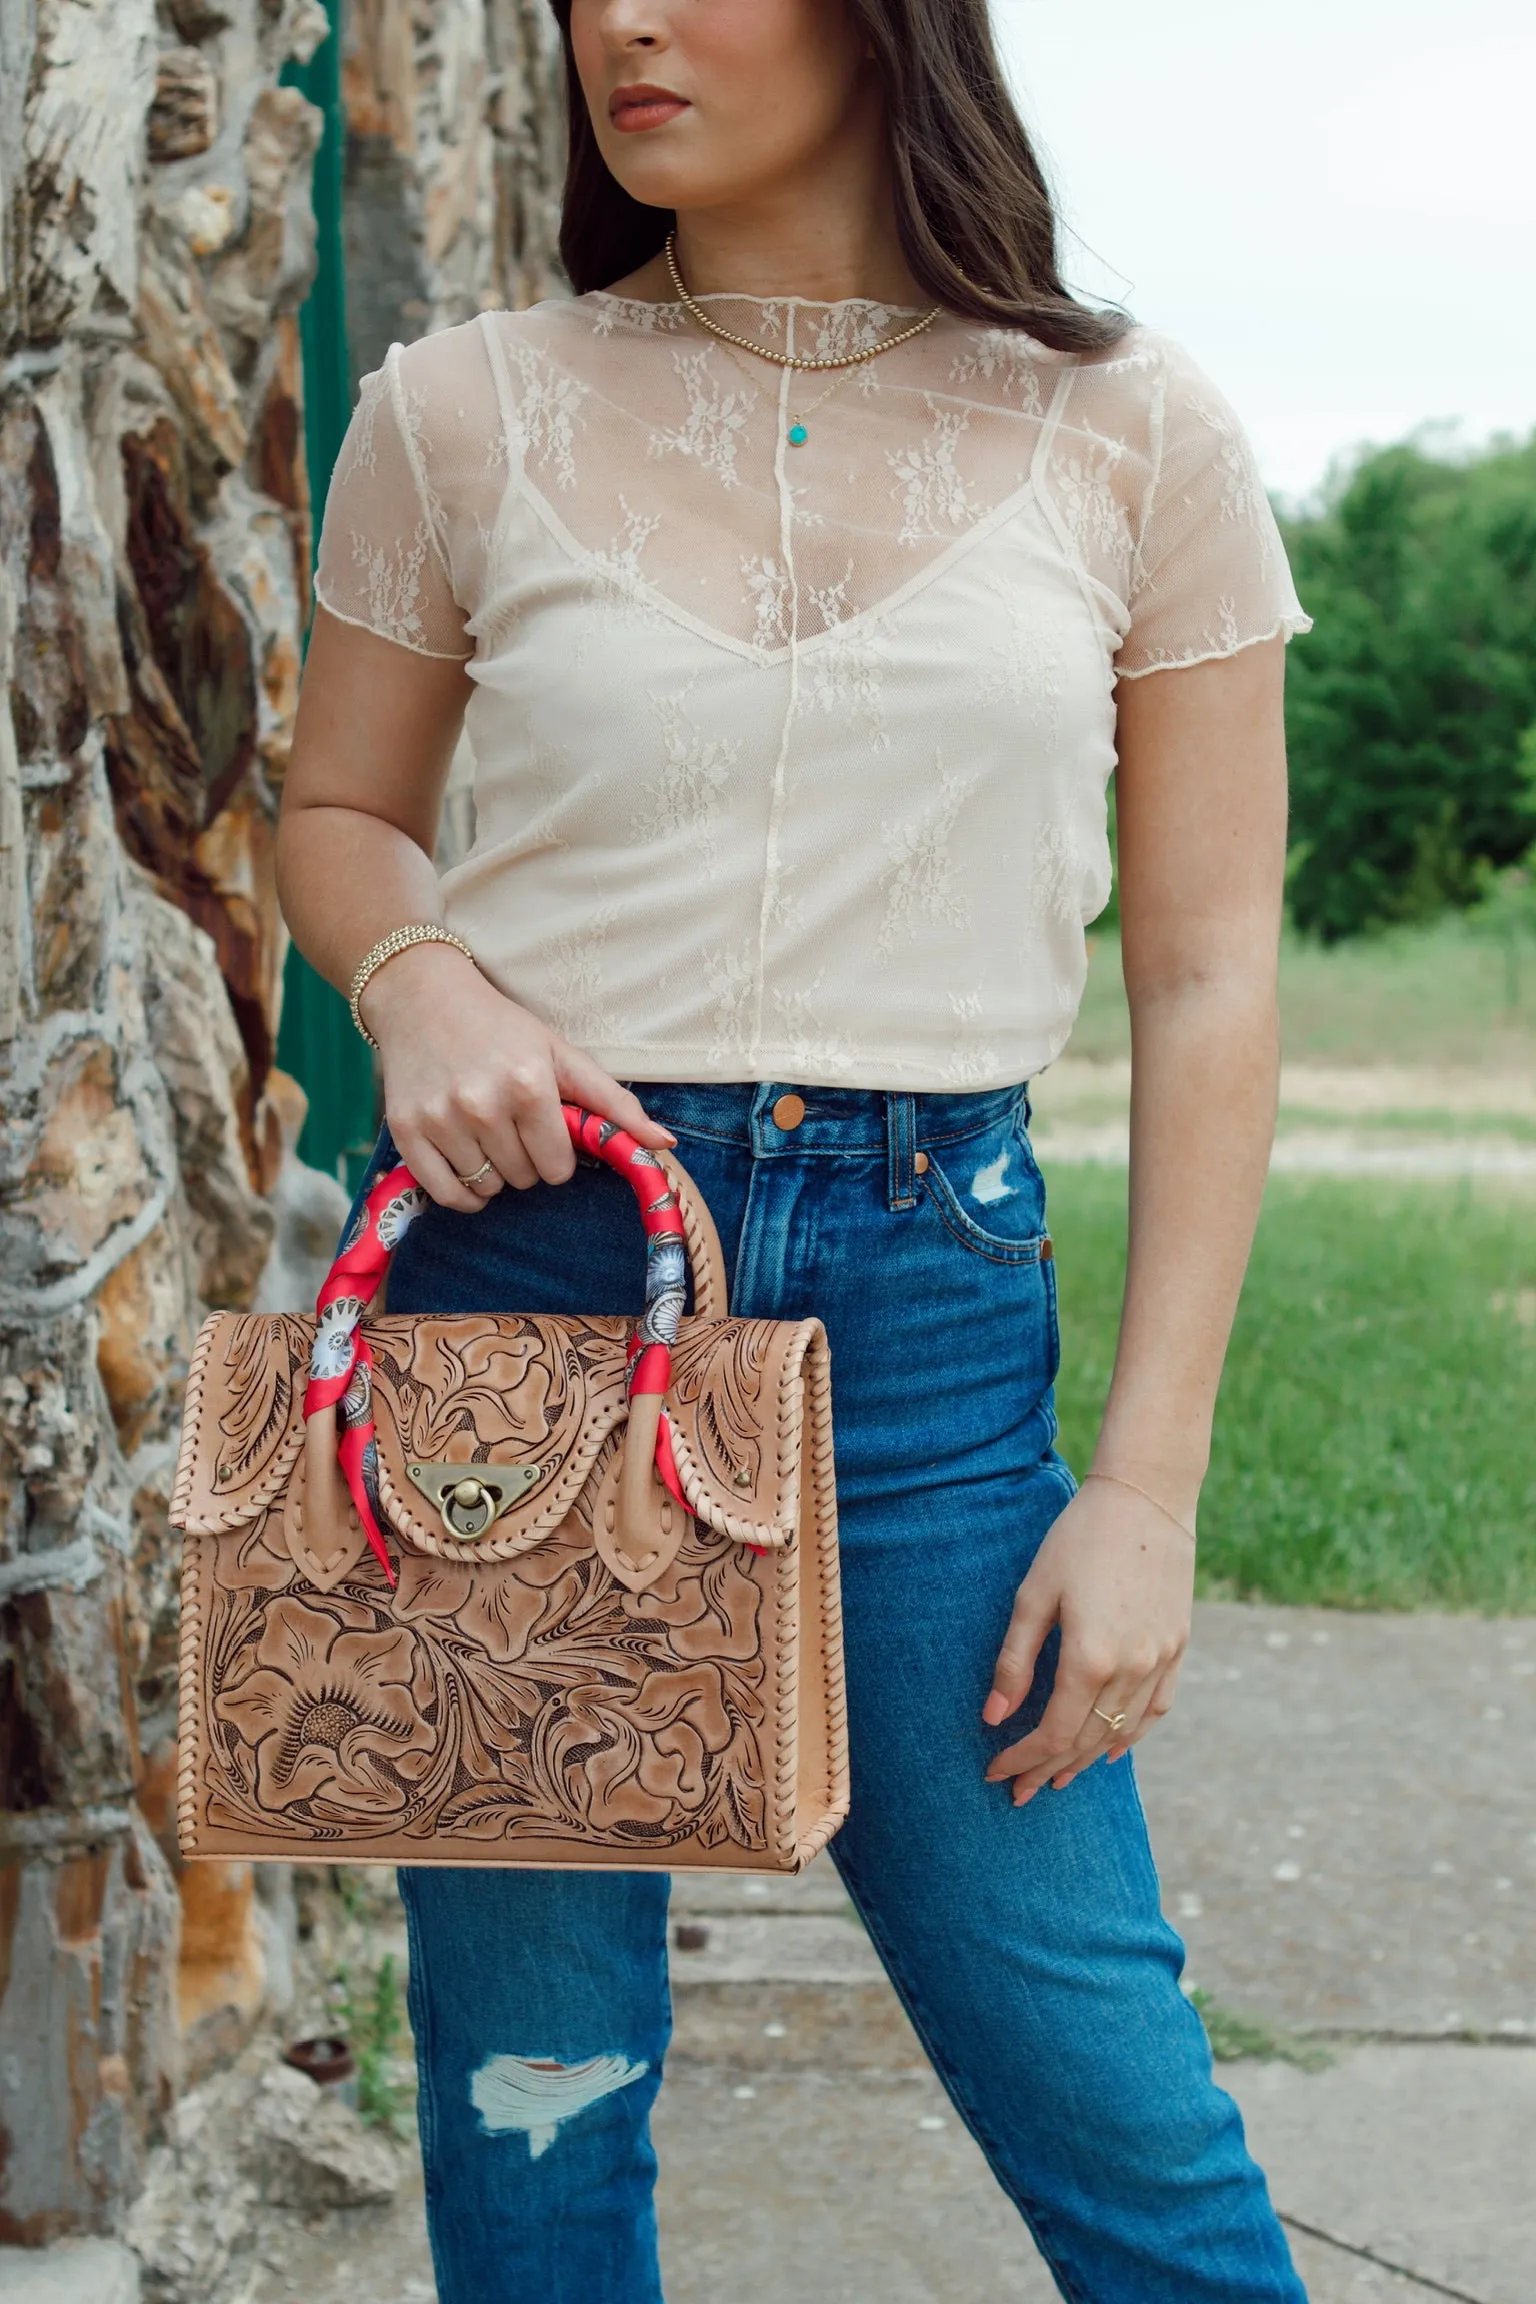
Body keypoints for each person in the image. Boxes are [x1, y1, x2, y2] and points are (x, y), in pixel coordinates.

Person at [278, 2, 1311, 2296]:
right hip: (532, 1299)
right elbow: (339, 817)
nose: (618, 22)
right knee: (538, 2134)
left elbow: (1211, 975)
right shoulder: (457, 409)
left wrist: (1141, 1497)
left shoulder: (1136, 430)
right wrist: (421, 977)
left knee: (1124, 2125)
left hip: (934, 1336)